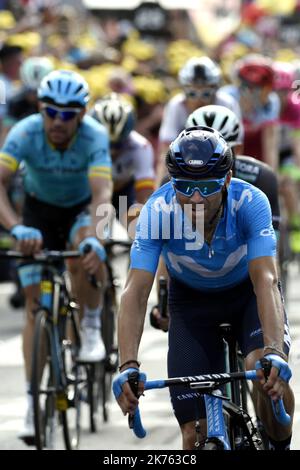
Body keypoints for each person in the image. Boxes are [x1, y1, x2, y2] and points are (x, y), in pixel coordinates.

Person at [113, 126, 294, 450]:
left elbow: (266, 280)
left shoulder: (251, 202)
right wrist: (127, 364)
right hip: (192, 306)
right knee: (193, 436)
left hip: (247, 297)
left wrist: (274, 352)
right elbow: (135, 291)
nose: (196, 198)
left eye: (207, 187)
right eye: (185, 187)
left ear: (226, 180)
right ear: (172, 182)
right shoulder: (157, 211)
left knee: (263, 373)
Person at [0, 69, 112, 442]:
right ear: (41, 109)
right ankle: (34, 405)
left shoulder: (95, 136)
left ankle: (92, 324)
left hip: (80, 210)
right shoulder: (25, 132)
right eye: (51, 112)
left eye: (67, 114)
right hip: (37, 214)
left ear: (81, 114)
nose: (57, 121)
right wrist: (16, 226)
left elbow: (102, 194)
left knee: (84, 253)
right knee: (36, 308)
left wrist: (98, 237)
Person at [151, 104, 280, 332]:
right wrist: (163, 299)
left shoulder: (262, 177)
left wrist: (272, 304)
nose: (206, 156)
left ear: (237, 150)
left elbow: (270, 248)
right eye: (195, 149)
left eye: (221, 148)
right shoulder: (170, 187)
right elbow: (166, 252)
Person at [156, 56, 241, 185]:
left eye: (206, 93)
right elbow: (165, 152)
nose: (199, 100)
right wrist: (158, 189)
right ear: (184, 90)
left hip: (221, 160)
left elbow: (236, 148)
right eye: (192, 93)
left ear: (215, 90)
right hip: (188, 162)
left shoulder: (227, 103)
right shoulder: (176, 105)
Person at [90, 93, 155, 226]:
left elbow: (145, 194)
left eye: (118, 144)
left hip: (124, 193)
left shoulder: (141, 146)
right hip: (91, 191)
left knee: (139, 224)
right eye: (107, 144)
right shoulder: (85, 142)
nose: (112, 151)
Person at [221, 54, 280, 170]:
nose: (269, 93)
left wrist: (272, 178)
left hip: (255, 153)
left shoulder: (272, 101)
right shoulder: (226, 97)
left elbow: (271, 145)